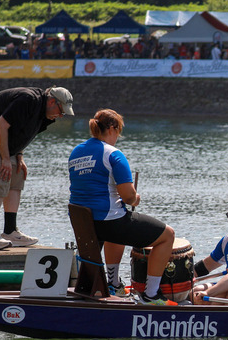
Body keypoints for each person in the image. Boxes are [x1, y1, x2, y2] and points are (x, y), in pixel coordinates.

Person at [68, 109, 176, 304]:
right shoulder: (113, 155)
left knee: (116, 224)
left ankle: (113, 284)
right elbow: (127, 196)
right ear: (111, 128)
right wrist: (135, 199)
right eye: (118, 131)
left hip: (85, 223)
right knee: (167, 235)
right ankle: (151, 295)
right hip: (108, 222)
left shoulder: (76, 152)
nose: (118, 136)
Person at [0, 86, 74, 250]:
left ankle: (9, 231)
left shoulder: (46, 115)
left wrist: (19, 156)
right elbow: (0, 126)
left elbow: (24, 133)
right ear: (52, 101)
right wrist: (6, 159)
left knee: (17, 173)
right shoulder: (27, 100)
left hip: (0, 139)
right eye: (61, 110)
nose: (61, 115)